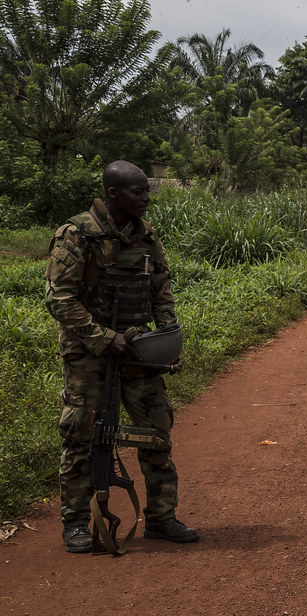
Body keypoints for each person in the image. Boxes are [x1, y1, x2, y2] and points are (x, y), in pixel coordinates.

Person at [45, 160, 199, 553]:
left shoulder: (147, 237)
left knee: (157, 432)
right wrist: (102, 337)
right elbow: (59, 298)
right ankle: (78, 524)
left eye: (147, 191)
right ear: (113, 193)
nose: (147, 198)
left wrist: (167, 341)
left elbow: (161, 293)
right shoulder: (77, 234)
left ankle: (161, 517)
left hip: (138, 351)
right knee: (83, 435)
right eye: (138, 191)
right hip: (89, 354)